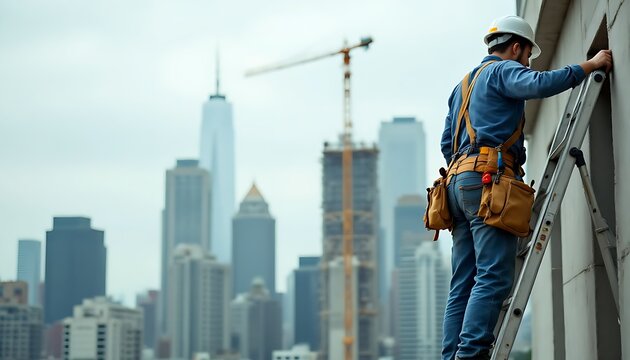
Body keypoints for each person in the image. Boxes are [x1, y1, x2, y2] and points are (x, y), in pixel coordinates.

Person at [439, 15, 613, 360]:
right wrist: (589, 65)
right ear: (516, 47)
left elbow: (447, 142)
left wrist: (469, 166)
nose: (527, 64)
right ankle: (470, 355)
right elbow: (538, 84)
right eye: (527, 57)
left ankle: (451, 356)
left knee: (463, 282)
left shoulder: (462, 86)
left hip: (456, 185)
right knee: (492, 276)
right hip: (486, 183)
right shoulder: (503, 71)